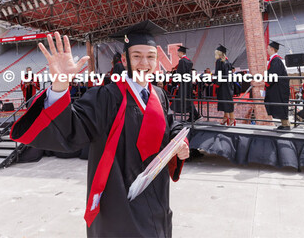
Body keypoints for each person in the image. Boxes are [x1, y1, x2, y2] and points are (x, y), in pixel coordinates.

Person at [10, 20, 189, 237]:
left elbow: (172, 127)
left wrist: (181, 144)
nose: (145, 63)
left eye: (150, 56)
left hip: (158, 200)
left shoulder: (159, 96)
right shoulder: (106, 97)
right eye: (137, 56)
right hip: (119, 205)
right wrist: (60, 86)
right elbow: (72, 129)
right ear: (125, 60)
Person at [264, 41, 290, 130]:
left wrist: (267, 83)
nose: (267, 50)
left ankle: (286, 125)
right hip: (278, 87)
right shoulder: (274, 60)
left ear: (272, 49)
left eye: (268, 48)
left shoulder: (276, 60)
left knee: (280, 104)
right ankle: (284, 124)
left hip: (279, 88)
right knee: (279, 105)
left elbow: (274, 74)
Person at [173, 46, 201, 122]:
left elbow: (180, 73)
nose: (177, 54)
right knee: (188, 99)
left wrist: (176, 82)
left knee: (185, 99)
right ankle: (194, 115)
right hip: (188, 83)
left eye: (178, 53)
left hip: (183, 83)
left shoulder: (182, 61)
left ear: (182, 53)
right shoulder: (189, 61)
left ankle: (195, 115)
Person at [214, 45, 235, 126]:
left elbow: (218, 73)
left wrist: (216, 84)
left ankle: (232, 118)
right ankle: (226, 117)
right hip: (228, 84)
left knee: (226, 101)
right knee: (227, 101)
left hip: (223, 85)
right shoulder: (227, 61)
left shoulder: (219, 61)